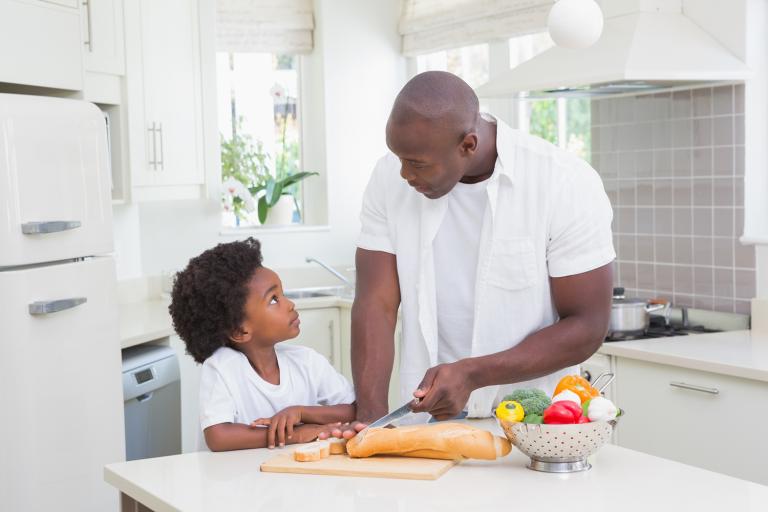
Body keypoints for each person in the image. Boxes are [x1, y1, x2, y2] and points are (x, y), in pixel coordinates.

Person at [346, 70, 615, 433]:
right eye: (399, 159)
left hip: (535, 428)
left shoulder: (563, 182)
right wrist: (371, 421)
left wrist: (473, 373)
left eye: (418, 164)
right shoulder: (387, 180)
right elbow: (375, 303)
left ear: (468, 145)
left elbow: (587, 325)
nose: (405, 175)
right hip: (425, 424)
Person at [169, 238, 356, 451]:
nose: (290, 304)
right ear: (240, 330)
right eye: (274, 299)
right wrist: (294, 434)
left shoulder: (307, 361)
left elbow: (353, 409)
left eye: (283, 295)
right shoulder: (222, 367)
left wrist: (301, 413)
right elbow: (218, 436)